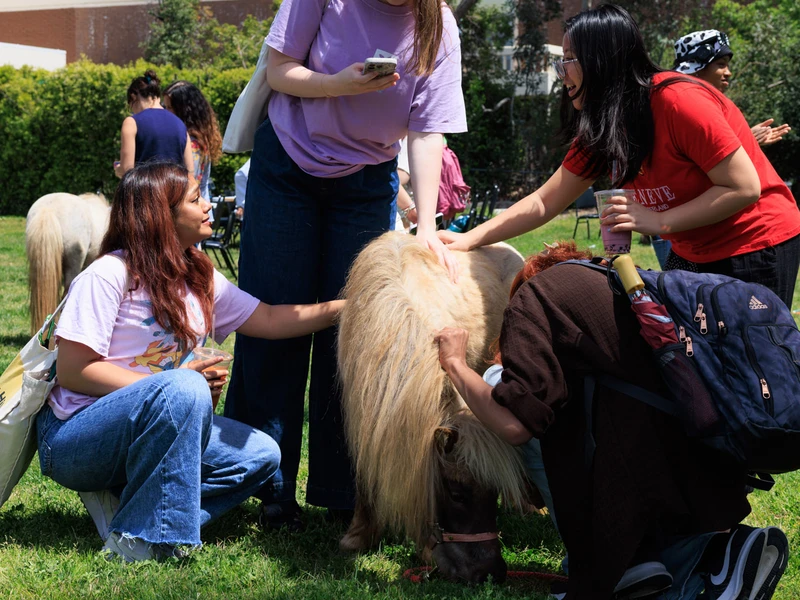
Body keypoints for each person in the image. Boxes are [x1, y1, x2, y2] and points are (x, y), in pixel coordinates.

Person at [224, 0, 467, 531]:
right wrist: (339, 84)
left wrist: (425, 225)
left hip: (367, 181)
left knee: (356, 334)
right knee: (275, 322)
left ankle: (344, 492)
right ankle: (267, 484)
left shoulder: (439, 25)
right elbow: (278, 70)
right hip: (288, 164)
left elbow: (427, 131)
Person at [434, 243, 789, 599]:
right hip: (706, 468)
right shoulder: (626, 291)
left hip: (638, 482)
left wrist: (456, 364)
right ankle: (721, 552)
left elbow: (514, 426)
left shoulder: (536, 295)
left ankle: (678, 578)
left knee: (516, 402)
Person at [36, 162, 345, 562]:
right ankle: (140, 539)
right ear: (161, 215)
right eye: (196, 199)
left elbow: (269, 319)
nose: (208, 206)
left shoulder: (196, 274)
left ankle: (132, 509)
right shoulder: (109, 274)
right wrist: (174, 385)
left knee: (261, 456)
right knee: (183, 388)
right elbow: (73, 370)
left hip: (155, 422)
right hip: (74, 436)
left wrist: (347, 307)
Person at [438, 3, 800, 309]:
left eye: (568, 60)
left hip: (755, 242)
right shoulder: (605, 125)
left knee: (753, 370)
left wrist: (658, 222)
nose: (561, 73)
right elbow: (544, 202)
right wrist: (470, 239)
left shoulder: (677, 101)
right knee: (690, 362)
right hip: (692, 247)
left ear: (601, 61)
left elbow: (744, 187)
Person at [673, 30, 791, 147]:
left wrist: (747, 136)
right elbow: (709, 155)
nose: (728, 73)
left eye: (727, 65)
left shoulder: (702, 103)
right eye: (721, 64)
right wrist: (747, 139)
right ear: (697, 68)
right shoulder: (689, 107)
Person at [114, 70, 193, 178]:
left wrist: (118, 169)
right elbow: (190, 171)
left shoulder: (132, 123)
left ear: (133, 97)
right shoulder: (180, 124)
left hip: (145, 193)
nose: (132, 110)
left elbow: (127, 171)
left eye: (130, 105)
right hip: (174, 192)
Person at [163, 81, 223, 201]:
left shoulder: (191, 142)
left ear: (184, 110)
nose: (165, 112)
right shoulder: (198, 138)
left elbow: (191, 181)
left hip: (192, 212)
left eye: (170, 107)